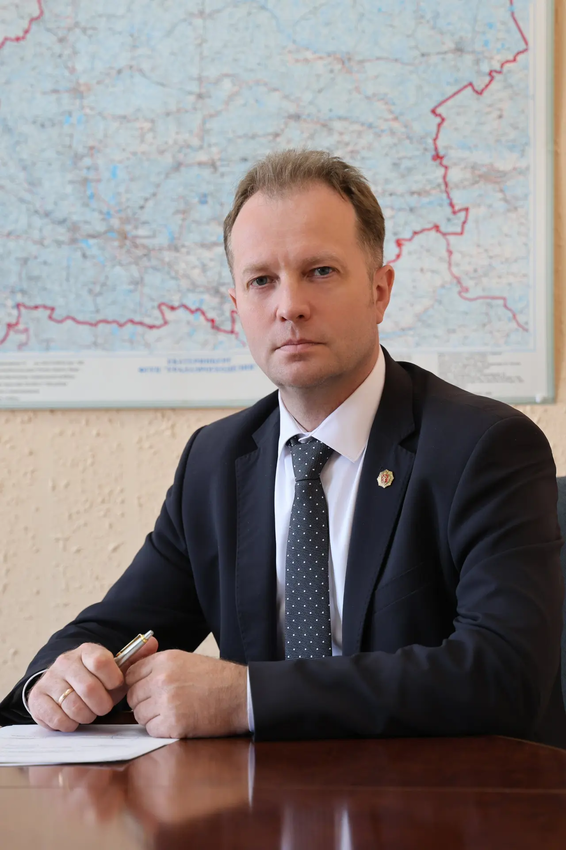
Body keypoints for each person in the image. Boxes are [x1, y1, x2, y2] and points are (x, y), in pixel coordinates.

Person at [0, 150, 564, 746]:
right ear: (237, 307)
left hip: (438, 794)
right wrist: (56, 682)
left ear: (379, 291)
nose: (289, 305)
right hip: (260, 797)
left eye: (320, 271)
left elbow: (504, 675)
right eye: (261, 280)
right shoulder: (215, 462)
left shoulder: (484, 447)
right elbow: (118, 629)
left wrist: (248, 696)